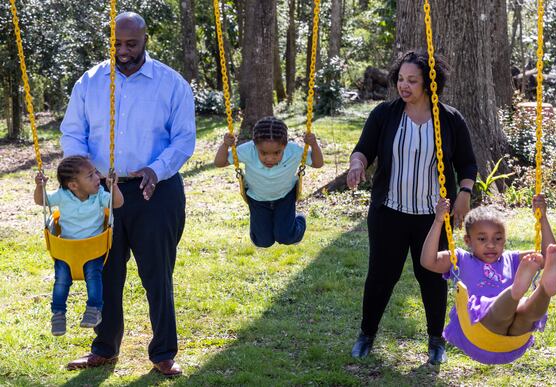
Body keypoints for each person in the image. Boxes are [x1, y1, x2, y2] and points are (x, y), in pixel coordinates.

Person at [60, 12, 196, 376]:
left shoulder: (171, 83)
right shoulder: (90, 82)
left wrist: (156, 169)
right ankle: (104, 348)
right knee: (104, 273)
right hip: (101, 190)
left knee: (157, 274)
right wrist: (84, 173)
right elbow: (72, 133)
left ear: (145, 39)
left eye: (130, 44)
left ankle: (164, 353)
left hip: (156, 191)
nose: (122, 51)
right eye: (116, 44)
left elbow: (184, 139)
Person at [347, 49, 478, 364]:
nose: (404, 86)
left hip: (433, 219)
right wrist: (356, 165)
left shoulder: (449, 119)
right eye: (401, 79)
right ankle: (366, 335)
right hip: (389, 212)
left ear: (429, 83)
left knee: (432, 278)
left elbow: (468, 163)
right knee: (381, 276)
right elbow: (363, 150)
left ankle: (436, 341)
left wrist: (464, 192)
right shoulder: (384, 114)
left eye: (412, 81)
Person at [420, 195, 556, 364]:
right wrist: (438, 221)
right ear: (468, 240)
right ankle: (516, 291)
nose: (491, 245)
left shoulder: (512, 259)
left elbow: (548, 257)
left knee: (528, 316)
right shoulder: (461, 259)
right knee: (497, 312)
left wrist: (543, 218)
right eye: (482, 239)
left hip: (514, 338)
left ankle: (545, 290)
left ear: (504, 240)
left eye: (498, 238)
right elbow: (428, 261)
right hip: (479, 327)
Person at [34, 156, 124, 336]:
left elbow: (117, 203)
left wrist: (113, 186)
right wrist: (39, 186)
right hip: (67, 251)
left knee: (93, 276)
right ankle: (58, 313)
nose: (98, 177)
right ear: (73, 186)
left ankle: (94, 309)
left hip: (93, 250)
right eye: (90, 176)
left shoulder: (99, 196)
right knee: (61, 280)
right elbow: (41, 201)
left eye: (96, 173)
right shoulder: (63, 195)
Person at [214, 116, 324, 247]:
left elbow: (318, 163)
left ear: (285, 145)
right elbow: (219, 163)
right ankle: (260, 231)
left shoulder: (293, 151)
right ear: (255, 145)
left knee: (286, 237)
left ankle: (300, 220)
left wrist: (314, 144)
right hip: (257, 199)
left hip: (285, 197)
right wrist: (226, 145)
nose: (270, 158)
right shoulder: (248, 150)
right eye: (264, 153)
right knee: (263, 242)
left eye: (277, 153)